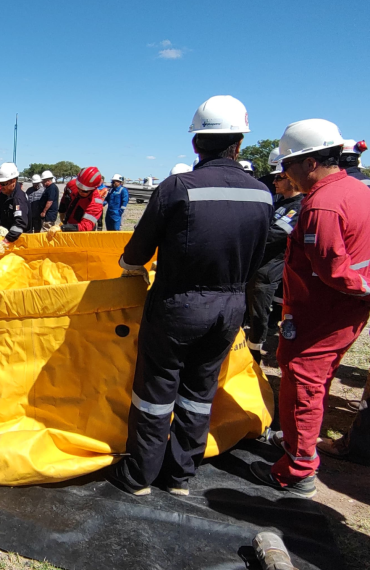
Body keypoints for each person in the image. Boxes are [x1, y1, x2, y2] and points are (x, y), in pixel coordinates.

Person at [110, 95, 272, 496]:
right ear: (239, 145)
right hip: (231, 306)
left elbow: (136, 255)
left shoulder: (179, 187)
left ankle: (139, 476)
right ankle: (180, 476)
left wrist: (130, 267)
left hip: (179, 305)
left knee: (155, 391)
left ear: (197, 144)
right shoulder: (263, 195)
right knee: (200, 392)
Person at [250, 119, 370, 498]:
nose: (284, 175)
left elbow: (334, 271)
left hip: (320, 315)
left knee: (302, 383)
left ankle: (297, 470)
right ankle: (294, 441)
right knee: (316, 382)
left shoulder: (321, 206)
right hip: (342, 316)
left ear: (311, 163)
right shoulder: (357, 191)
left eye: (287, 166)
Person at [245, 162, 303, 363]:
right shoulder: (277, 204)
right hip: (255, 267)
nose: (274, 182)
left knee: (259, 313)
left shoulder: (298, 207)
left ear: (291, 180)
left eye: (279, 178)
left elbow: (274, 234)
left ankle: (254, 353)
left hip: (268, 270)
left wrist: (245, 239)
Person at [0, 163, 30, 254]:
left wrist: (5, 242)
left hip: (18, 241)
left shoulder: (19, 198)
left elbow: (20, 224)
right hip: (4, 238)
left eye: (4, 183)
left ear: (13, 181)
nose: (1, 186)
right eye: (0, 183)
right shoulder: (1, 197)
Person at [51, 167, 104, 232]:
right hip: (68, 223)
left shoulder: (96, 203)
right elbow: (65, 197)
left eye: (85, 191)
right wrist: (62, 211)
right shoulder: (72, 184)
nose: (80, 191)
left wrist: (63, 228)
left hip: (81, 233)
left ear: (93, 189)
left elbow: (86, 226)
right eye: (78, 187)